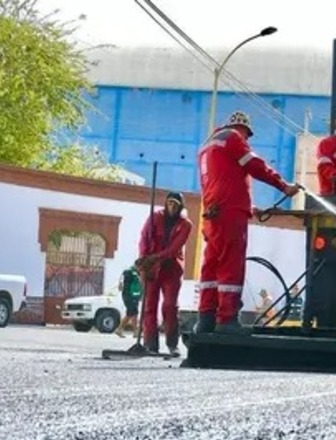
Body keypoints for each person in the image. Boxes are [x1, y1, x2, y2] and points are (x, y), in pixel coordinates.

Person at [196, 110, 301, 333]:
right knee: (231, 265)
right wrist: (284, 186)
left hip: (212, 214)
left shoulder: (206, 147)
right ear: (244, 130)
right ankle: (227, 319)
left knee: (211, 266)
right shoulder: (233, 138)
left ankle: (205, 319)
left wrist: (248, 208)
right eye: (247, 136)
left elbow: (221, 182)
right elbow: (255, 166)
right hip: (230, 214)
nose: (246, 140)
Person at [136, 191, 193, 355]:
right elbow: (144, 238)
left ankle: (172, 343)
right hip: (151, 266)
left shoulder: (186, 224)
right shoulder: (155, 217)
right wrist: (143, 259)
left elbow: (174, 249)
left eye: (175, 204)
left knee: (170, 305)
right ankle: (150, 344)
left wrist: (154, 258)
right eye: (169, 203)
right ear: (165, 204)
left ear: (181, 206)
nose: (172, 207)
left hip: (172, 268)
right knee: (149, 305)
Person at [116, 266, 141, 337]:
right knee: (130, 313)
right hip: (129, 295)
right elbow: (127, 286)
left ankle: (135, 331)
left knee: (135, 313)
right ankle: (119, 329)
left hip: (134, 296)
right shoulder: (130, 273)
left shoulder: (135, 273)